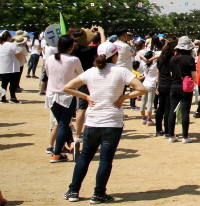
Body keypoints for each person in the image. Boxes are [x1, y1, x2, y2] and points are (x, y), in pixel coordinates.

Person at [62, 42, 146, 203]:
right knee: (106, 160)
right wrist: (124, 97)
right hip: (112, 122)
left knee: (85, 157)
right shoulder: (121, 71)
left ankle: (73, 191)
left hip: (93, 121)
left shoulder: (91, 72)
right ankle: (98, 193)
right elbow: (141, 89)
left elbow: (67, 87)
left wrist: (86, 96)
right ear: (114, 56)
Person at [44, 35, 84, 163]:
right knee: (63, 124)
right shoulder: (74, 59)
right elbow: (82, 76)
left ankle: (68, 144)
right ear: (71, 46)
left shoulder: (50, 58)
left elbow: (48, 74)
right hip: (67, 95)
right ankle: (57, 153)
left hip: (52, 94)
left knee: (61, 122)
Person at [167, 36, 196, 143]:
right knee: (185, 112)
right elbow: (194, 75)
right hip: (185, 87)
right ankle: (185, 136)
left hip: (174, 86)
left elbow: (171, 74)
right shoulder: (190, 59)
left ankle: (171, 136)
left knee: (172, 111)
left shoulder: (173, 59)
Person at [0, 31, 22, 103]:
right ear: (8, 37)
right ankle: (13, 98)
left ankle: (3, 98)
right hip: (12, 67)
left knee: (4, 84)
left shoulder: (1, 45)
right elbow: (18, 54)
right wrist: (20, 61)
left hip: (3, 67)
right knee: (13, 83)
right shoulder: (11, 45)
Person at [155, 44, 174, 138]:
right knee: (168, 110)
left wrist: (157, 85)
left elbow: (158, 73)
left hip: (161, 84)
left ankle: (158, 129)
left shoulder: (160, 59)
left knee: (160, 108)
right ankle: (167, 131)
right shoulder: (172, 59)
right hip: (169, 85)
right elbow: (172, 74)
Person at [140, 56, 158, 126]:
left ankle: (143, 118)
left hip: (144, 84)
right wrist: (152, 58)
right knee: (150, 103)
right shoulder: (154, 65)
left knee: (143, 102)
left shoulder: (144, 64)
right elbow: (161, 54)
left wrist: (146, 59)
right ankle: (149, 119)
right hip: (151, 85)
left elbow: (140, 55)